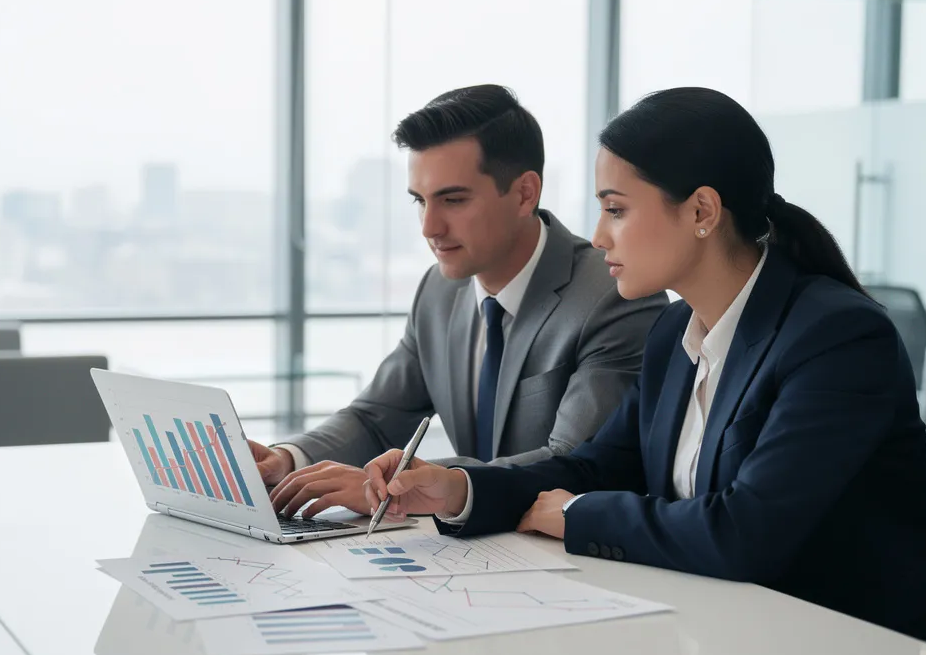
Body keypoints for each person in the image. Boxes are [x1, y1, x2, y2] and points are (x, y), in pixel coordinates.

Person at [363, 86, 926, 641]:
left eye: (618, 209)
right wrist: (459, 489)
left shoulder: (837, 339)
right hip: (734, 644)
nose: (600, 237)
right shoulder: (673, 337)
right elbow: (597, 465)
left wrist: (575, 515)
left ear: (703, 212)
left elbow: (746, 533)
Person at [255, 84, 667, 518]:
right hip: (476, 552)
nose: (429, 227)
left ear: (526, 193)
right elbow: (376, 418)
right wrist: (287, 459)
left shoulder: (612, 295)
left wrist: (400, 486)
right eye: (420, 201)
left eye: (453, 200)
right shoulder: (439, 290)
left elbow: (574, 463)